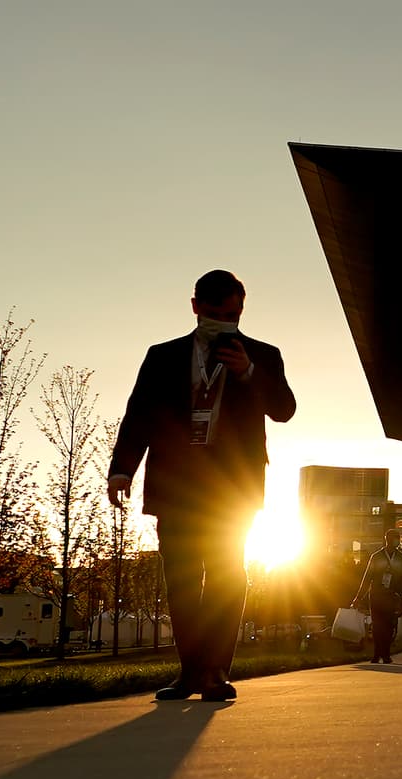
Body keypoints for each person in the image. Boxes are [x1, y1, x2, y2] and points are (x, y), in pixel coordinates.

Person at [107, 270, 296, 702]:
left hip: (233, 487)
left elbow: (284, 409)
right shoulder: (162, 356)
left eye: (231, 314)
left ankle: (213, 671)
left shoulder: (263, 354)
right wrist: (122, 469)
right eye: (214, 314)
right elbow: (139, 413)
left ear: (241, 310)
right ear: (194, 306)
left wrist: (248, 373)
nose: (222, 321)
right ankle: (189, 671)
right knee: (183, 582)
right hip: (177, 484)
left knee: (228, 577)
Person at [352, 529, 402, 663]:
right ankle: (377, 653)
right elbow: (367, 578)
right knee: (378, 626)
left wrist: (400, 596)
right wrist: (359, 597)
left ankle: (386, 653)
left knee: (389, 626)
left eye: (398, 538)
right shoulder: (376, 556)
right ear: (386, 539)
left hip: (392, 597)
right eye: (394, 538)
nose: (396, 540)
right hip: (377, 596)